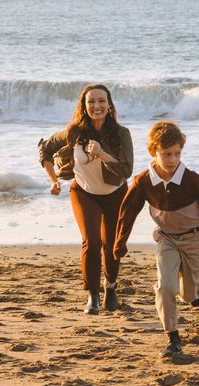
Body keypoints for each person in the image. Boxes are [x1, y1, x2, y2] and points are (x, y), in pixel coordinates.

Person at [114, 121, 199, 357]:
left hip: (196, 240)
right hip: (166, 239)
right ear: (153, 152)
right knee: (165, 286)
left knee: (187, 296)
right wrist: (120, 242)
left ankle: (197, 291)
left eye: (177, 154)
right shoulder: (144, 181)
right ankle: (173, 338)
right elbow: (128, 210)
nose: (172, 160)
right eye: (166, 154)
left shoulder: (191, 179)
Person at [39, 83, 133, 315]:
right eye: (91, 102)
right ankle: (92, 294)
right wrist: (53, 180)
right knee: (91, 241)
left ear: (109, 105)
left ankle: (110, 286)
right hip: (83, 192)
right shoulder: (74, 132)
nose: (96, 106)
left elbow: (126, 170)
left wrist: (101, 153)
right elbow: (45, 149)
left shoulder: (121, 133)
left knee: (111, 246)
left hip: (115, 194)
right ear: (84, 106)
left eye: (101, 101)